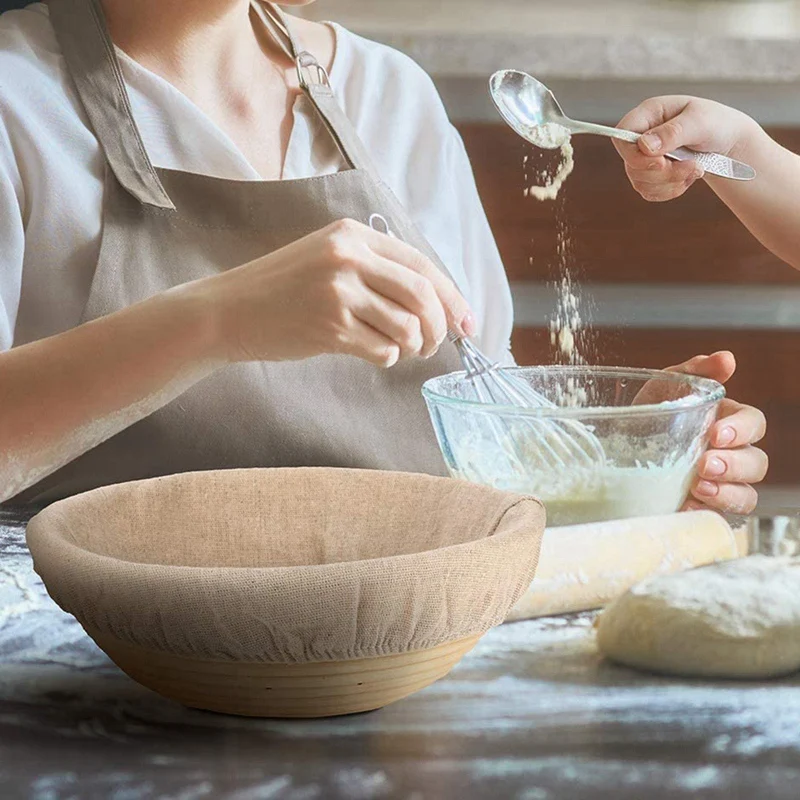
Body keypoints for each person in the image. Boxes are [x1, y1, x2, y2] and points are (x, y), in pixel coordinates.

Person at [0, 1, 765, 513]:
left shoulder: (389, 93)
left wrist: (616, 461)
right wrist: (218, 320)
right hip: (98, 685)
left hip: (410, 666)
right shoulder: (17, 100)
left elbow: (486, 421)